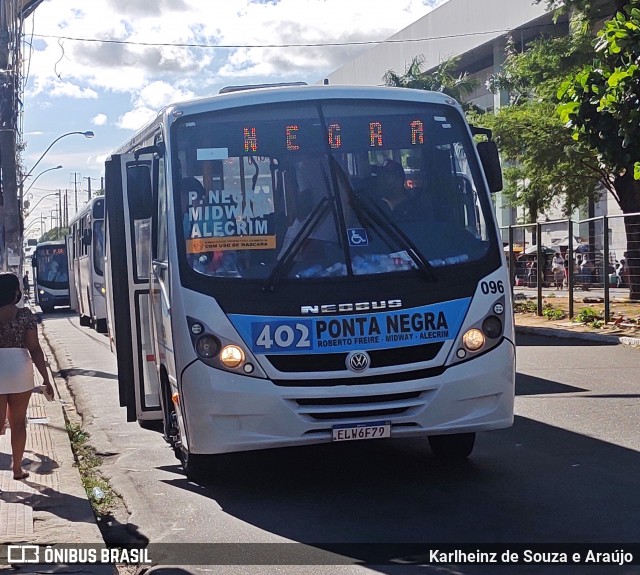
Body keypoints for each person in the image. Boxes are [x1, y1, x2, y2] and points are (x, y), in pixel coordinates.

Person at [0, 272, 54, 481]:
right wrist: (46, 378)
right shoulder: (25, 315)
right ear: (15, 293)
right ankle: (17, 470)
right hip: (19, 370)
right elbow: (35, 349)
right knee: (18, 423)